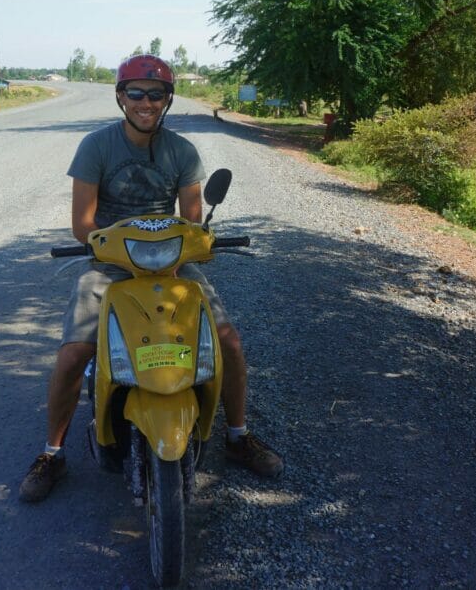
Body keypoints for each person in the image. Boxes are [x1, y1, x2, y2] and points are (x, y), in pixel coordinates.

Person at [20, 55, 284, 503]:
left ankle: (238, 436)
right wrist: (117, 248)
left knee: (229, 343)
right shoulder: (96, 147)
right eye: (136, 93)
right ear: (121, 97)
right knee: (74, 353)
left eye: (156, 94)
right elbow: (82, 225)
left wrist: (196, 246)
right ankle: (52, 453)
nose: (146, 102)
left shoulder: (183, 151)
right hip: (109, 264)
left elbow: (193, 222)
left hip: (170, 264)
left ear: (167, 99)